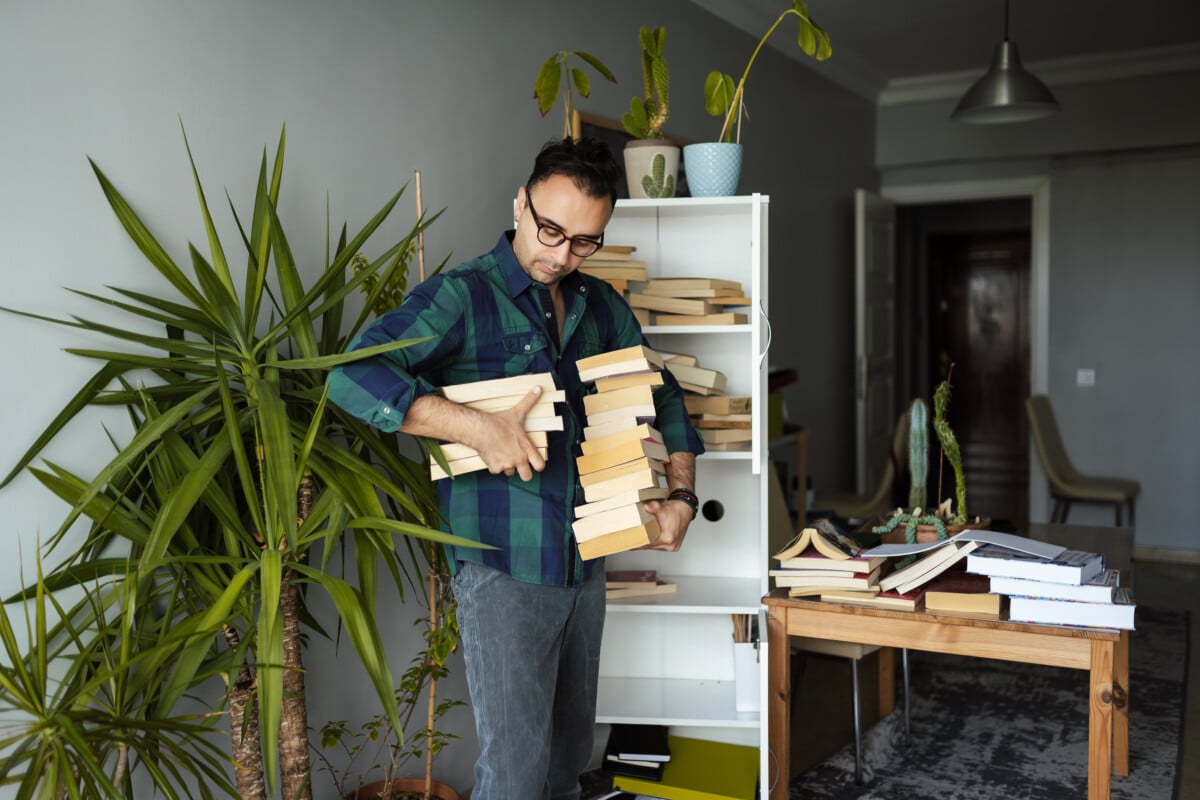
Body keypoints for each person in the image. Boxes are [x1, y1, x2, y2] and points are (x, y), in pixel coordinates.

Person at [327, 137, 704, 800]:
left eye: (583, 241)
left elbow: (663, 393)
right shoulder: (462, 296)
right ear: (519, 204)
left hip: (586, 563)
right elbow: (352, 374)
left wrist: (681, 493)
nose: (559, 255)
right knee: (516, 776)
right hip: (501, 569)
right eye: (550, 229)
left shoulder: (602, 306)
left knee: (566, 763)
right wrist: (471, 426)